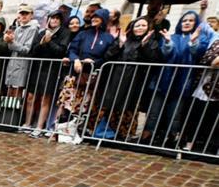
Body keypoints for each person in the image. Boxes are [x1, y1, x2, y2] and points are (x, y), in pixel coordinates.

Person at [144, 11, 211, 145]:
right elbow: (165, 53)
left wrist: (193, 41)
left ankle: (172, 139)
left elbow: (197, 53)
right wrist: (168, 42)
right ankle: (147, 136)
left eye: (191, 21)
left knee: (175, 113)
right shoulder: (171, 36)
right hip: (163, 79)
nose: (186, 23)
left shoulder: (200, 38)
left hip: (183, 81)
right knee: (154, 111)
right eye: (184, 20)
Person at [94, 16, 163, 140]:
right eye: (137, 25)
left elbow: (154, 60)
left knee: (128, 106)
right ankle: (103, 130)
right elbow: (108, 56)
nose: (140, 28)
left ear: (148, 28)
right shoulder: (124, 39)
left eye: (143, 25)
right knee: (110, 103)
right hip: (116, 77)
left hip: (135, 80)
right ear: (132, 27)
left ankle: (123, 133)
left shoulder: (152, 42)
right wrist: (119, 43)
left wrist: (144, 45)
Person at [23, 10, 71, 136]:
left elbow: (61, 51)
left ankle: (39, 127)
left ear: (60, 21)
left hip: (51, 70)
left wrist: (50, 42)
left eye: (57, 18)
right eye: (52, 18)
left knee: (45, 98)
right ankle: (27, 123)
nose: (54, 20)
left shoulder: (65, 33)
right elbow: (33, 51)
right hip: (37, 68)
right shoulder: (41, 32)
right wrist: (42, 42)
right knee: (30, 97)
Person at [180, 35, 219, 152]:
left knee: (212, 121)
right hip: (203, 87)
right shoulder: (216, 43)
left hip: (216, 92)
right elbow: (208, 60)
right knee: (195, 117)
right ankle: (190, 143)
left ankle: (209, 147)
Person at [4, 4, 39, 99]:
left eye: (26, 13)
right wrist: (8, 41)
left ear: (31, 15)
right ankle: (7, 113)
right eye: (22, 13)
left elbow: (27, 49)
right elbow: (11, 47)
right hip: (13, 63)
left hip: (22, 65)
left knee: (17, 92)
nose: (23, 16)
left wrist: (12, 42)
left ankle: (14, 113)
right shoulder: (18, 28)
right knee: (9, 91)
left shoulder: (33, 29)